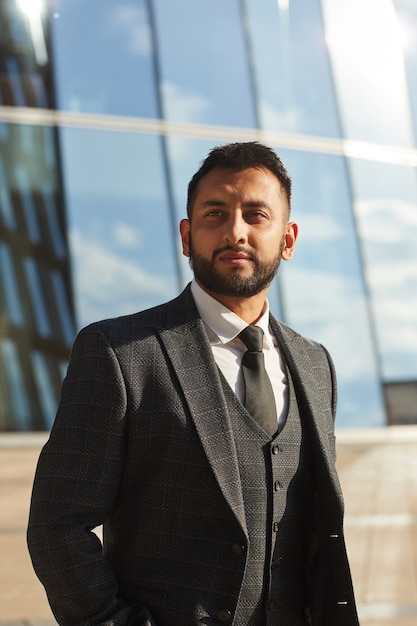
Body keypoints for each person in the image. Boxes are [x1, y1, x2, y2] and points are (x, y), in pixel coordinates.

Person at [27, 142, 359, 625]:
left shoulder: (315, 364)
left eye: (256, 215)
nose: (235, 231)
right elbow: (57, 527)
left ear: (287, 239)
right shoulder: (119, 353)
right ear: (187, 236)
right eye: (215, 213)